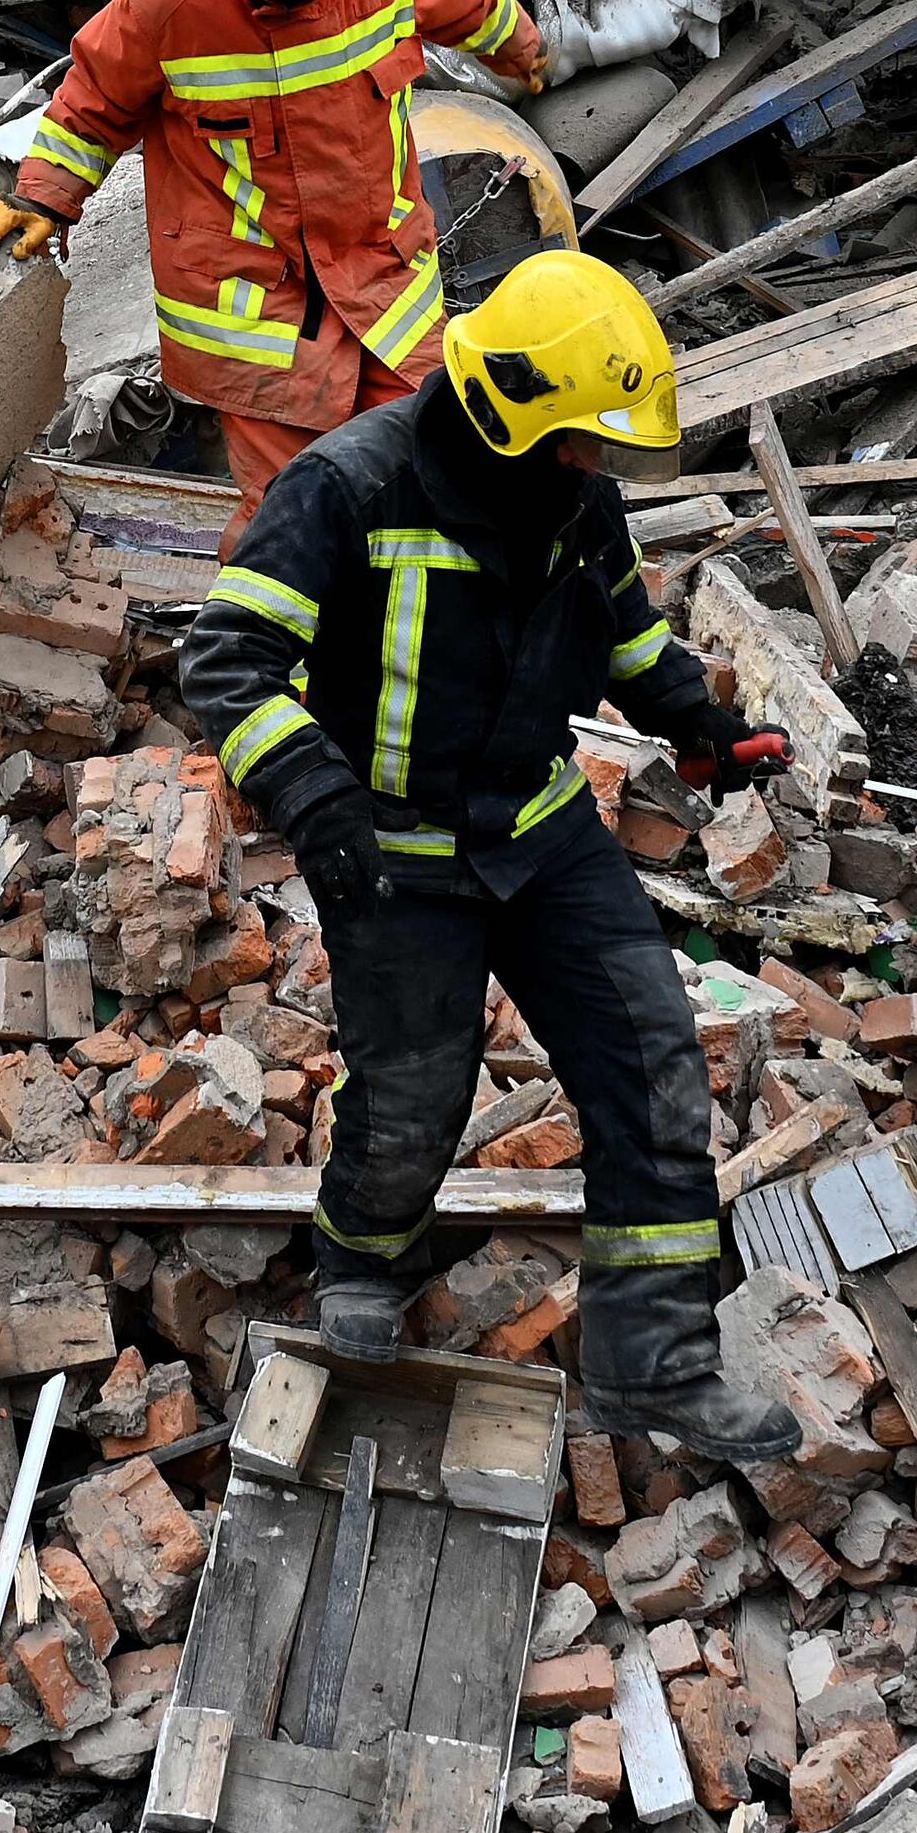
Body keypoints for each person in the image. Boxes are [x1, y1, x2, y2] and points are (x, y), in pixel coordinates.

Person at [171, 250, 800, 1453]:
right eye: (576, 436)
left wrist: (701, 723)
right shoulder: (346, 488)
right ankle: (362, 1263)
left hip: (541, 831)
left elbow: (624, 637)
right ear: (509, 408)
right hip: (392, 851)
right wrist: (315, 799)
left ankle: (654, 1365)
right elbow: (226, 661)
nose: (591, 461)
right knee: (412, 1096)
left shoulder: (572, 503)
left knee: (655, 1068)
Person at [0, 0, 547, 512]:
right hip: (259, 315)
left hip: (383, 279)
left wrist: (522, 47)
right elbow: (94, 100)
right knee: (294, 516)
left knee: (433, 472)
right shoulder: (170, 0)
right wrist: (41, 195)